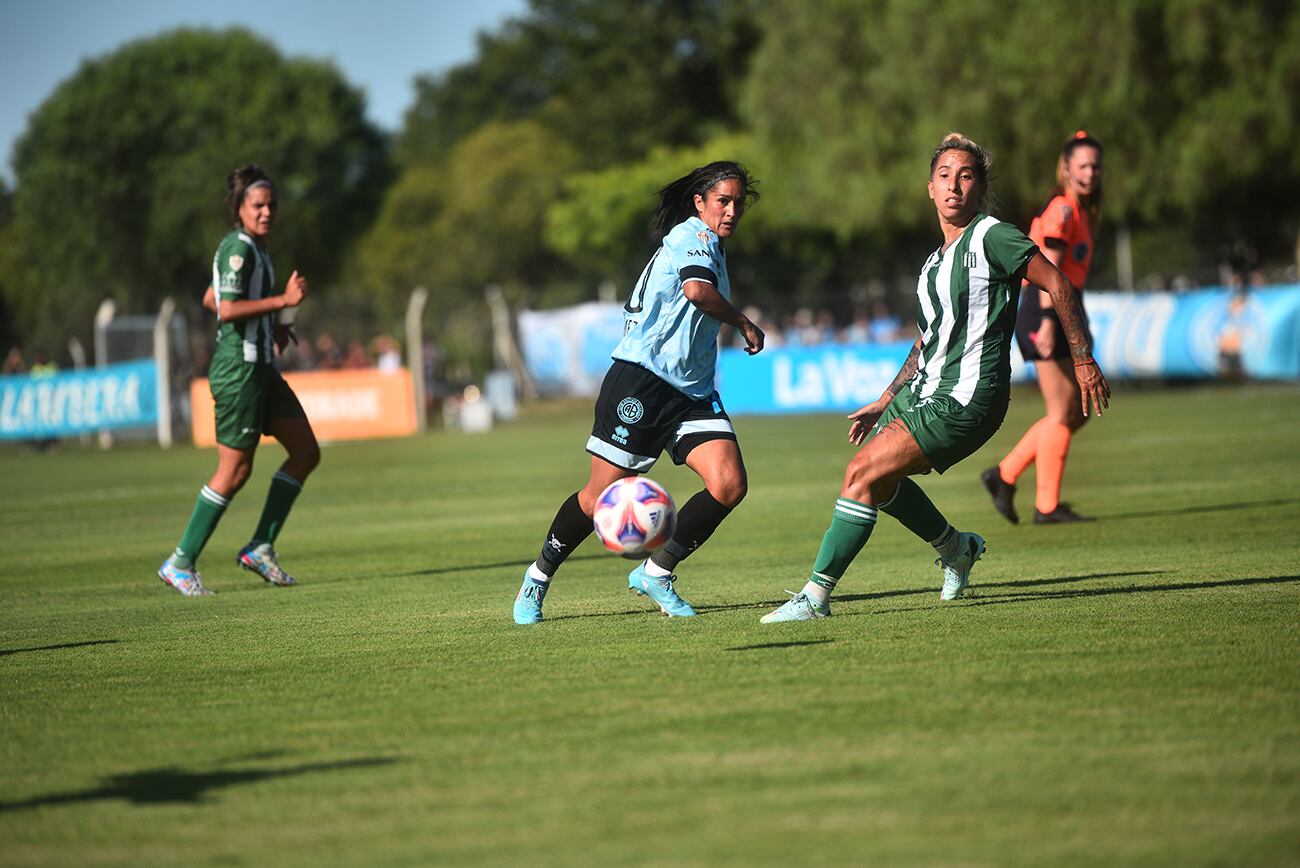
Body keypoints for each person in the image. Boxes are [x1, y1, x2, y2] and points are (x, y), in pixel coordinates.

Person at [761, 132, 1109, 622]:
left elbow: (1057, 281)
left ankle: (815, 599)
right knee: (879, 484)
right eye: (944, 176)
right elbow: (926, 340)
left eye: (966, 177)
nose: (954, 186)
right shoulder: (932, 266)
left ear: (979, 187)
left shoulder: (992, 236)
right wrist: (886, 398)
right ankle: (955, 548)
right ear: (930, 188)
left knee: (860, 474)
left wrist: (1081, 357)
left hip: (969, 396)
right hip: (925, 391)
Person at [514, 160, 765, 624]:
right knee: (596, 498)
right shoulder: (693, 236)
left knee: (729, 484)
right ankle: (537, 578)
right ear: (699, 202)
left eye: (737, 203)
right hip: (643, 381)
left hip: (690, 390)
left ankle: (657, 571)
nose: (731, 211)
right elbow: (694, 291)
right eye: (722, 201)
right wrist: (744, 321)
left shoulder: (713, 245)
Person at [158, 164, 319, 596]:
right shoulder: (239, 248)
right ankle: (180, 562)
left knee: (305, 451)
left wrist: (274, 325)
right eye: (258, 205)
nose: (267, 212)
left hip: (261, 367)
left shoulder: (257, 249)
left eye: (271, 205)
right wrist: (282, 301)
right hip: (239, 371)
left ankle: (260, 546)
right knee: (234, 471)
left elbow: (212, 295)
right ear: (240, 208)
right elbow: (225, 308)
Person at [982, 131, 1105, 524]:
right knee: (1063, 409)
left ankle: (1004, 475)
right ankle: (1046, 505)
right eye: (1083, 165)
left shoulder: (1082, 210)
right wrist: (1051, 322)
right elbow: (1048, 268)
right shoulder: (1062, 210)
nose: (1090, 172)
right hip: (1044, 308)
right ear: (1066, 168)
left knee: (1078, 411)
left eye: (1096, 166)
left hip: (1065, 308)